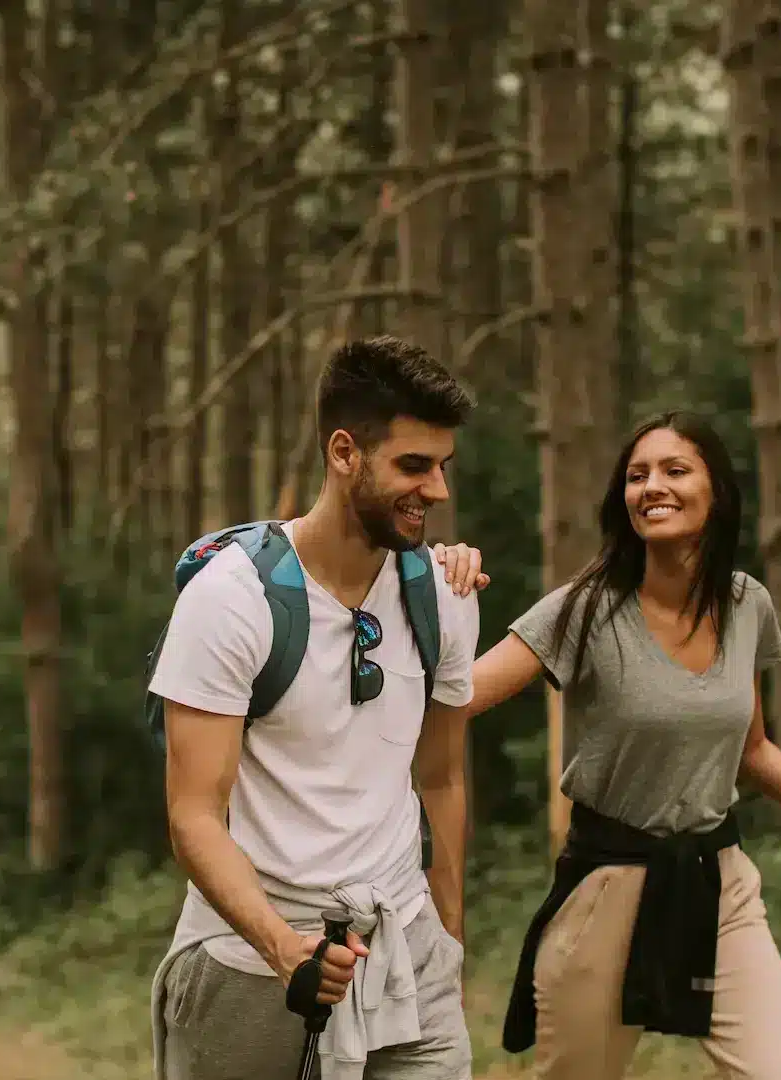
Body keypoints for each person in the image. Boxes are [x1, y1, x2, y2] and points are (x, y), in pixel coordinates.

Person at [431, 410, 781, 1080]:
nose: (651, 487)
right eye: (636, 476)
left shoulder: (746, 604)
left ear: (715, 491)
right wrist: (430, 591)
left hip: (718, 886)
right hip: (606, 888)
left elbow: (752, 750)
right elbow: (456, 699)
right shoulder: (582, 609)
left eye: (673, 470)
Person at [147, 336, 489, 1080]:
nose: (437, 491)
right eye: (413, 466)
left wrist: (448, 939)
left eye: (441, 467)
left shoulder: (445, 598)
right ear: (343, 453)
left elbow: (441, 780)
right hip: (252, 965)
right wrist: (283, 948)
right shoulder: (232, 600)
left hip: (407, 957)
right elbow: (192, 814)